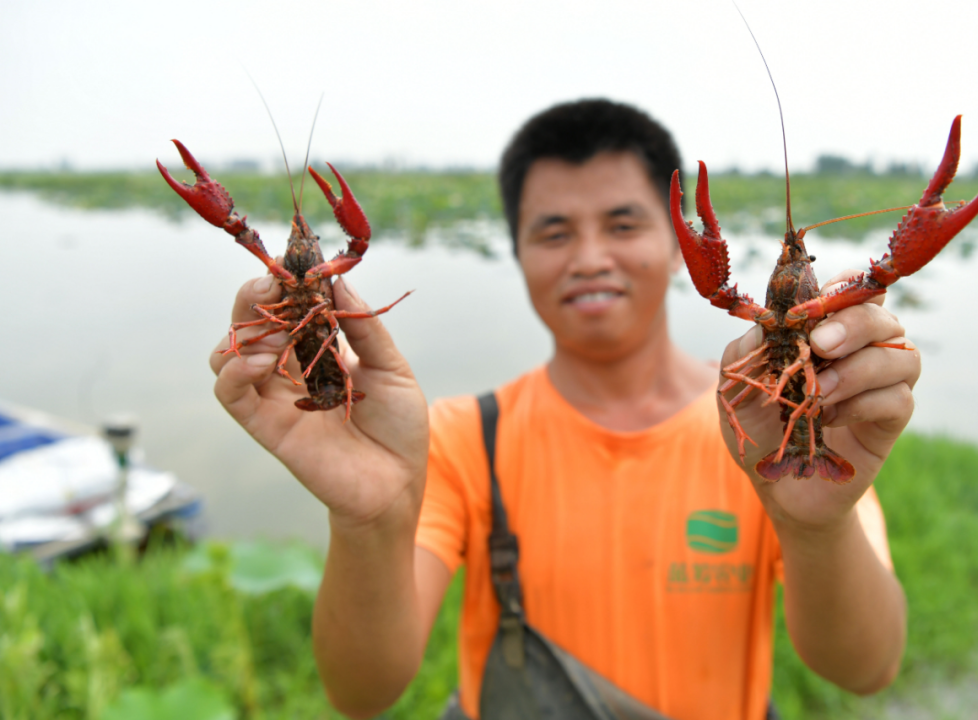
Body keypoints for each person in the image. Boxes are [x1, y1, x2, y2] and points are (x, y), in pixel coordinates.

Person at [209, 99, 915, 720]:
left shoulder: (778, 431)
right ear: (514, 249)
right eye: (553, 232)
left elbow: (867, 669)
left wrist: (818, 529)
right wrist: (368, 520)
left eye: (622, 224)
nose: (589, 257)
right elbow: (361, 693)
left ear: (682, 246)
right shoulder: (456, 440)